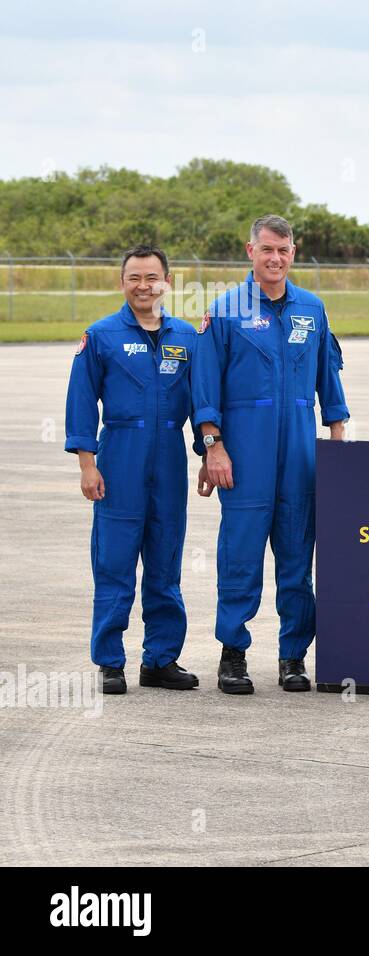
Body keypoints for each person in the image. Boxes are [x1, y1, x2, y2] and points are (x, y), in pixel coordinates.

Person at [193, 215, 349, 694]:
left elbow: (329, 379)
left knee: (298, 560)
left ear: (293, 253)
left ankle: (293, 656)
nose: (275, 258)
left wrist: (338, 441)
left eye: (283, 250)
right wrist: (211, 447)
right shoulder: (224, 311)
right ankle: (233, 655)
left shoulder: (312, 309)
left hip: (300, 457)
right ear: (250, 252)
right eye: (267, 250)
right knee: (239, 556)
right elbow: (204, 387)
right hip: (244, 457)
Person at [64, 245, 204, 694]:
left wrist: (207, 451)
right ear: (122, 283)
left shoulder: (187, 337)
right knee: (114, 561)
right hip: (119, 453)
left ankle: (161, 659)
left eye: (152, 278)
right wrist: (88, 465)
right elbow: (82, 403)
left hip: (170, 453)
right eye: (134, 278)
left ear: (167, 281)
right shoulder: (100, 336)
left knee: (165, 560)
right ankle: (110, 661)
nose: (143, 286)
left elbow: (203, 400)